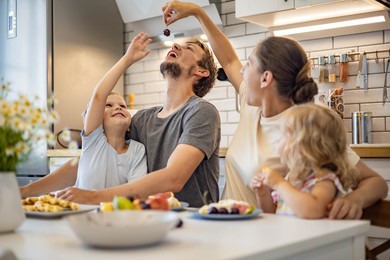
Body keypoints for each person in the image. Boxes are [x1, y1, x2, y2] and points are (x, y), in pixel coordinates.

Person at [163, 0, 388, 219]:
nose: (241, 72)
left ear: (266, 79)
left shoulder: (304, 127)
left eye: (249, 64)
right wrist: (197, 12)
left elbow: (375, 183)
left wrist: (354, 200)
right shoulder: (252, 106)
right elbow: (229, 60)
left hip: (264, 241)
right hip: (227, 229)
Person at [20, 32, 221, 207]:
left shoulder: (201, 112)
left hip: (194, 220)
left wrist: (94, 197)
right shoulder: (142, 120)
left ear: (201, 72)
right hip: (151, 219)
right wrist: (27, 192)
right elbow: (89, 160)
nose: (176, 45)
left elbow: (174, 178)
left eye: (189, 48)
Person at [250, 103, 358, 219]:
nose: (277, 141)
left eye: (284, 136)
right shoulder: (291, 178)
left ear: (305, 146)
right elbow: (272, 214)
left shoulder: (324, 180)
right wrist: (263, 194)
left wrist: (279, 184)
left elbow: (313, 210)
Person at [75, 34, 148, 189]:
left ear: (129, 125)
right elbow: (99, 95)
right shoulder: (93, 141)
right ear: (97, 121)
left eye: (122, 106)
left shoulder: (137, 150)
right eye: (108, 106)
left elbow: (134, 191)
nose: (118, 108)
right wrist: (127, 59)